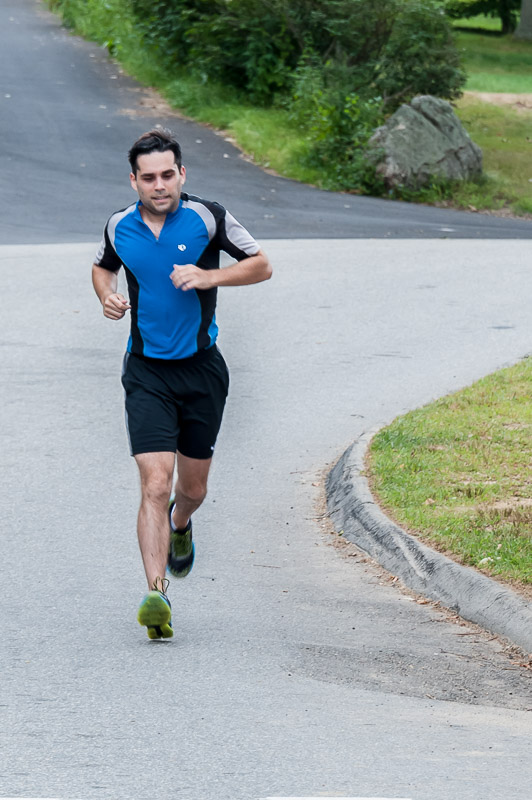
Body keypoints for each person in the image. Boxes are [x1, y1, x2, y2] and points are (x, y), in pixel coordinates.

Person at [92, 128, 272, 639]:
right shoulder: (119, 225)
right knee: (154, 482)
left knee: (192, 490)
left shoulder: (208, 217)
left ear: (181, 174)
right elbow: (102, 268)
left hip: (202, 371)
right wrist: (106, 296)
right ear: (134, 181)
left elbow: (261, 265)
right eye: (148, 177)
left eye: (167, 175)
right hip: (146, 371)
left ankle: (181, 523)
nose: (159, 185)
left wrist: (209, 276)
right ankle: (157, 596)